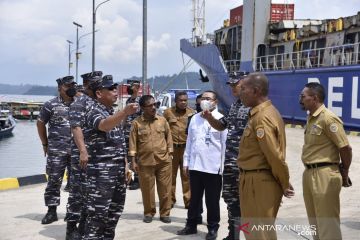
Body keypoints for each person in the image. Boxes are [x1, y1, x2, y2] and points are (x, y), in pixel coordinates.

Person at [237, 72, 294, 240]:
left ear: (256, 91)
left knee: (259, 234)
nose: (240, 92)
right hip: (254, 180)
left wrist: (284, 182)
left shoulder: (262, 118)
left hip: (258, 182)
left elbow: (274, 156)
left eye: (244, 89)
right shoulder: (263, 113)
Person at [83, 75, 138, 239]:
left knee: (113, 215)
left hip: (117, 174)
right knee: (97, 217)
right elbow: (104, 126)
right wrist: (124, 112)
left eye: (116, 88)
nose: (115, 92)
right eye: (111, 89)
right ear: (99, 93)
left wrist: (126, 165)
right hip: (100, 176)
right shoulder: (93, 111)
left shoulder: (111, 112)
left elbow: (119, 143)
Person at [299, 82, 352, 240]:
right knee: (315, 225)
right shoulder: (311, 117)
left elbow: (345, 148)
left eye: (303, 97)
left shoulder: (328, 119)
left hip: (324, 174)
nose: (300, 99)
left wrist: (345, 170)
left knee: (328, 226)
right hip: (309, 173)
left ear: (314, 98)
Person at [202, 72, 249, 240]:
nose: (232, 87)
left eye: (235, 84)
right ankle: (233, 235)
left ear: (246, 84)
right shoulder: (236, 105)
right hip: (230, 164)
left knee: (248, 205)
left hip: (246, 166)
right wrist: (209, 118)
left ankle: (249, 235)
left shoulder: (254, 107)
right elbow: (223, 126)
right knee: (231, 202)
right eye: (230, 85)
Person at [177, 90, 228, 240]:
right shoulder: (194, 118)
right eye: (203, 98)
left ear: (215, 102)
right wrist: (187, 162)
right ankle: (191, 225)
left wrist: (223, 168)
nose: (205, 100)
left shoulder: (221, 119)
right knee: (194, 200)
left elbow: (225, 146)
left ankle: (212, 228)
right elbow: (190, 142)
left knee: (212, 201)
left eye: (208, 98)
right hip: (195, 166)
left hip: (213, 168)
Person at [64, 70, 102, 239]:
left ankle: (84, 225)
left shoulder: (100, 103)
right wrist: (82, 151)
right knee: (78, 192)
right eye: (95, 83)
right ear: (87, 85)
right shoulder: (79, 103)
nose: (98, 85)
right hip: (83, 156)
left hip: (97, 156)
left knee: (92, 192)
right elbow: (75, 127)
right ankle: (71, 228)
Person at [37, 76, 76, 225]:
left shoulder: (80, 104)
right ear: (60, 88)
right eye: (67, 86)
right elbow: (40, 124)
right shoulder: (50, 105)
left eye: (73, 85)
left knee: (77, 183)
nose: (71, 88)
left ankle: (72, 212)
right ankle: (51, 211)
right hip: (56, 151)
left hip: (77, 152)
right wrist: (45, 144)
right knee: (53, 182)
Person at [128, 95, 173, 224]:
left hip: (163, 161)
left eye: (155, 104)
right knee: (147, 190)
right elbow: (132, 143)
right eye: (150, 105)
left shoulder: (162, 120)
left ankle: (165, 213)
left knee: (165, 189)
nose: (154, 107)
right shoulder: (136, 123)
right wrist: (133, 161)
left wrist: (170, 154)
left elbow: (168, 137)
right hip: (145, 162)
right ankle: (149, 213)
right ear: (142, 108)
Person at [163, 91, 196, 209]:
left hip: (186, 148)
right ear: (175, 101)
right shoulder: (167, 113)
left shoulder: (192, 113)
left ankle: (188, 201)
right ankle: (171, 200)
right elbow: (163, 131)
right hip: (172, 149)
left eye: (185, 100)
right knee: (170, 175)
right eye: (181, 100)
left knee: (186, 175)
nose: (183, 102)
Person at [123, 80, 142, 190]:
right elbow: (126, 115)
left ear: (137, 87)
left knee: (137, 156)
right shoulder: (129, 101)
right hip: (127, 132)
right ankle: (131, 178)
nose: (129, 88)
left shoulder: (141, 101)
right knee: (129, 155)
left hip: (137, 132)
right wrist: (122, 126)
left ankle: (138, 180)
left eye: (131, 86)